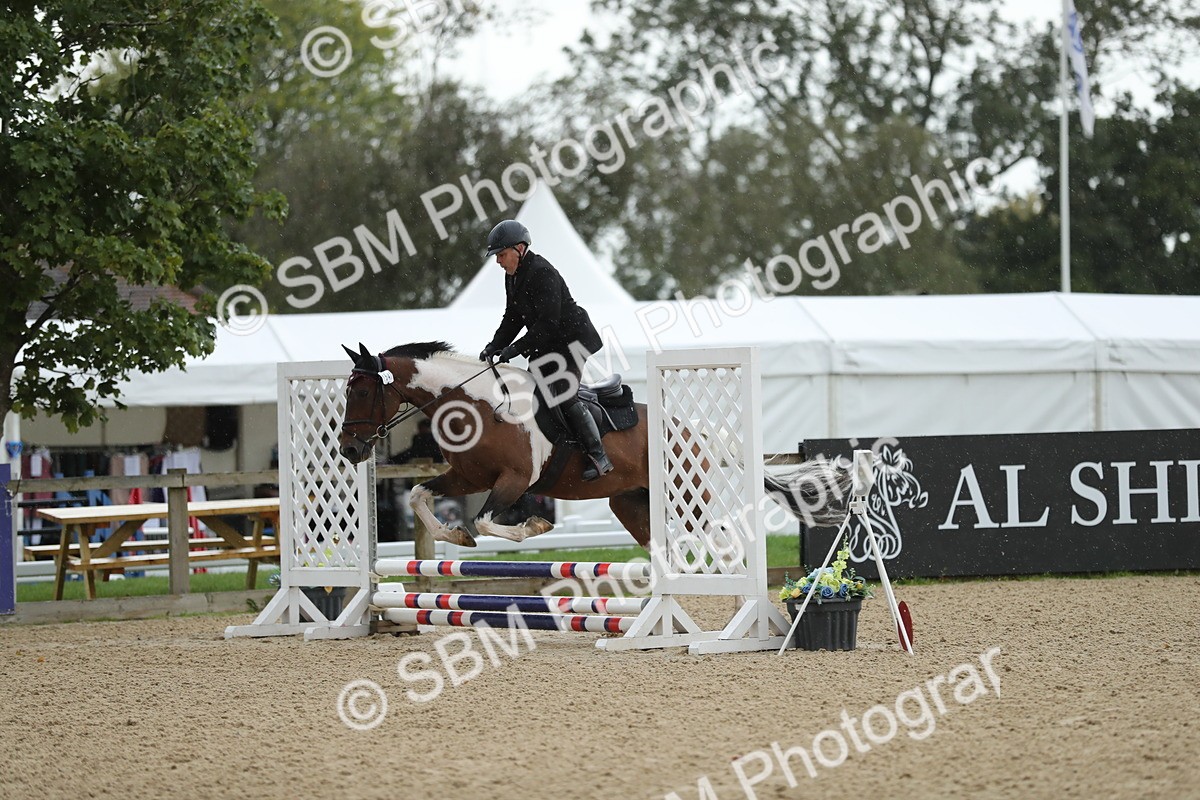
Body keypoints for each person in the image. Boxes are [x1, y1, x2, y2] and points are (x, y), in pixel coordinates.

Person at [478, 219, 613, 480]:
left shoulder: (542, 272)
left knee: (562, 394)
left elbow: (548, 324)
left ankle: (599, 455)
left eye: (501, 255)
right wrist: (495, 345)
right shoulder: (512, 277)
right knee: (533, 395)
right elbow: (513, 318)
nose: (498, 262)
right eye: (497, 256)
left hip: (573, 341)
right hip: (548, 344)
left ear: (519, 248)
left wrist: (515, 349)